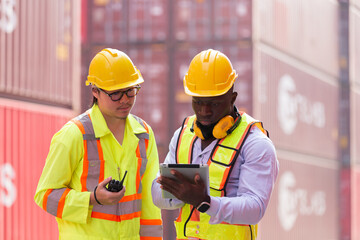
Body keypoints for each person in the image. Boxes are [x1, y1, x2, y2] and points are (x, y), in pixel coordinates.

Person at [34, 48, 163, 240]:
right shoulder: (74, 135)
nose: (125, 99)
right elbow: (45, 196)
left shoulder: (144, 134)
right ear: (95, 91)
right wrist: (93, 198)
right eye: (116, 94)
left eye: (130, 91)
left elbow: (149, 207)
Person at [151, 49, 279, 240]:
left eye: (214, 104)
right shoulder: (182, 136)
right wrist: (178, 192)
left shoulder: (255, 144)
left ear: (233, 98)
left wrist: (205, 202)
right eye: (198, 102)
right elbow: (157, 195)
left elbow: (255, 208)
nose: (204, 111)